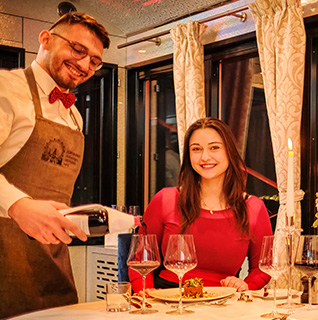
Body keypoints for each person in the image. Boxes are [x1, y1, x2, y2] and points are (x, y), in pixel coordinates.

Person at [0, 13, 110, 318]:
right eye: (77, 49)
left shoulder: (75, 116)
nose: (86, 64)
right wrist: (19, 206)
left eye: (95, 60)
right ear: (45, 39)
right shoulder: (7, 87)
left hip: (52, 261)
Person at [129, 117, 272, 293]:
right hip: (168, 299)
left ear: (230, 151)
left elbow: (262, 269)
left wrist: (246, 285)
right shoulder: (165, 199)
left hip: (224, 303)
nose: (205, 157)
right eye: (196, 149)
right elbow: (141, 260)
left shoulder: (254, 208)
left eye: (214, 148)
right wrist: (145, 293)